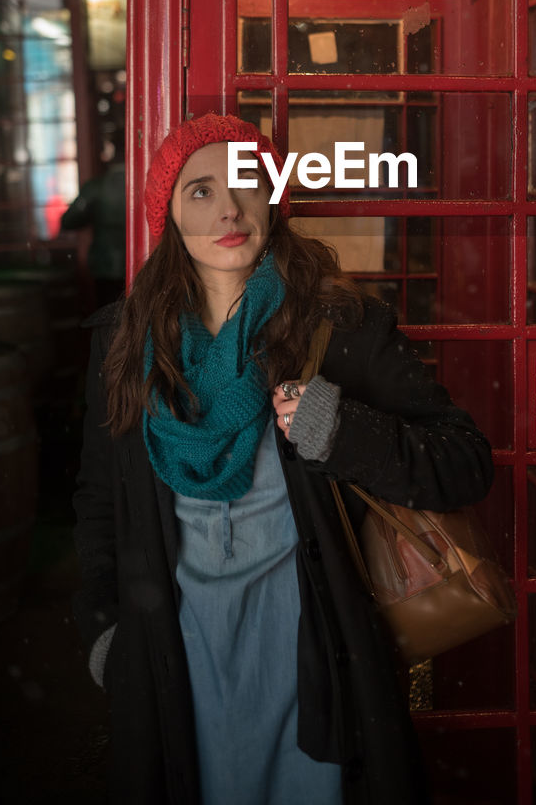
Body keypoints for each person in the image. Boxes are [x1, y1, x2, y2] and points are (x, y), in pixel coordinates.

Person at [72, 112, 494, 805]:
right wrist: (103, 632)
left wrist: (344, 432)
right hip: (175, 656)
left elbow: (465, 462)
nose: (229, 207)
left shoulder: (342, 328)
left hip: (314, 652)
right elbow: (96, 502)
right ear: (168, 214)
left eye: (246, 181)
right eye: (199, 191)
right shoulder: (122, 346)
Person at [60, 157, 126, 306]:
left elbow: (69, 221)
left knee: (107, 316)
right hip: (142, 261)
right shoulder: (146, 183)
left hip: (105, 263)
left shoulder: (95, 187)